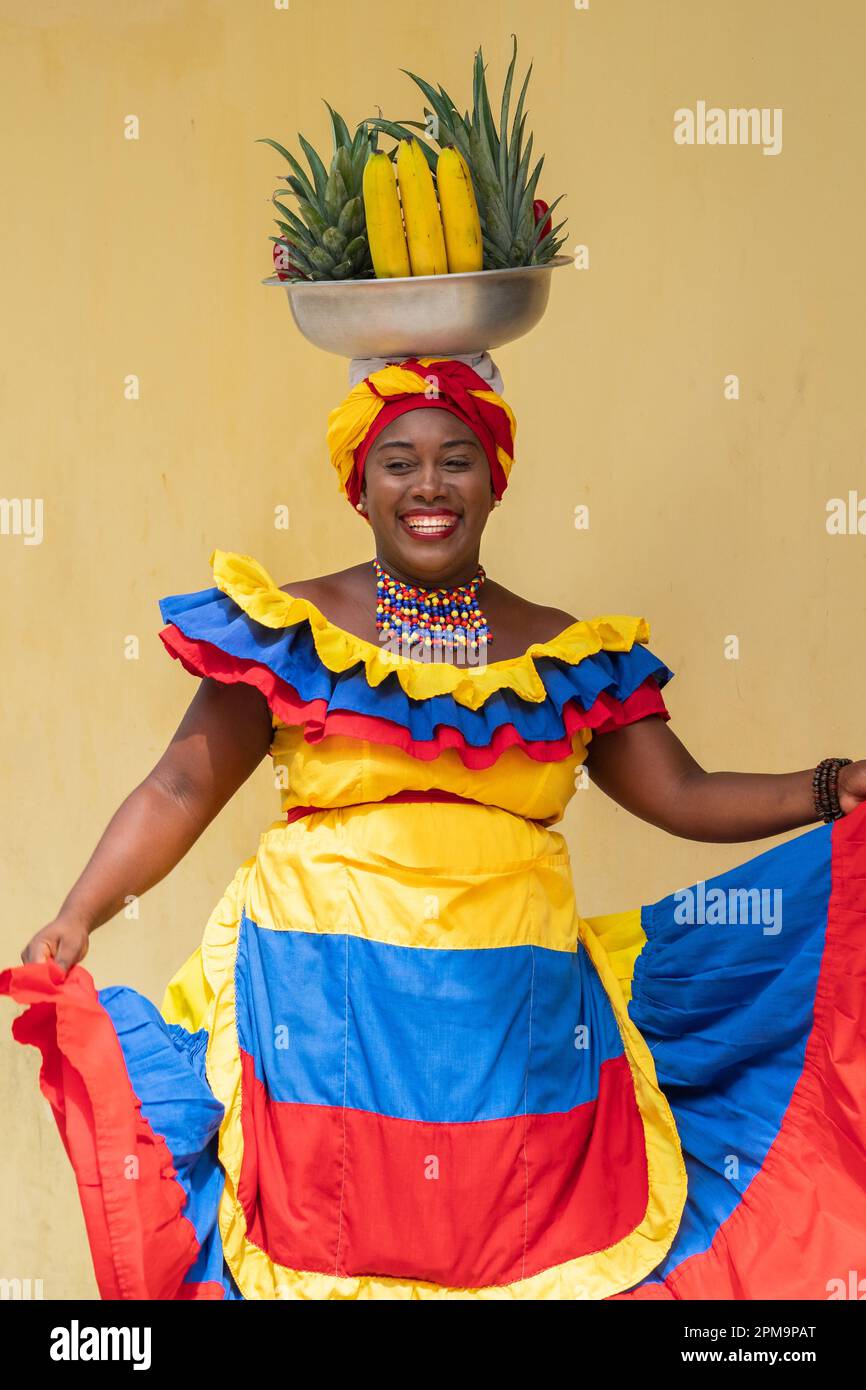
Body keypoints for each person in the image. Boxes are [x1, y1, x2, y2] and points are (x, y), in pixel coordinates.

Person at [4, 353, 866, 1301]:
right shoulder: (290, 628)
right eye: (398, 461)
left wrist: (835, 786)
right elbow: (177, 789)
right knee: (329, 1264)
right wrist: (80, 912)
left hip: (516, 1032)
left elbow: (685, 794)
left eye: (455, 459)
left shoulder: (562, 648)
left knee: (520, 1266)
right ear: (357, 485)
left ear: (494, 481)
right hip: (322, 1011)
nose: (428, 486)